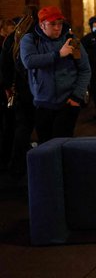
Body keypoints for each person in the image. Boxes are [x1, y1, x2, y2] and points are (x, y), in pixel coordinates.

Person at [19, 6, 91, 143]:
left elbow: (85, 69)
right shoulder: (31, 40)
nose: (57, 27)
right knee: (46, 146)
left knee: (63, 145)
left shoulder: (71, 41)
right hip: (42, 104)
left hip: (67, 104)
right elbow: (29, 61)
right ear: (42, 24)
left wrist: (77, 96)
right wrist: (58, 55)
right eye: (52, 24)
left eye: (60, 23)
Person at [0, 10, 36, 178]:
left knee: (20, 127)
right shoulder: (36, 36)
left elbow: (5, 67)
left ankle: (16, 165)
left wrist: (7, 87)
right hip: (33, 89)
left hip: (20, 90)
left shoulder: (14, 37)